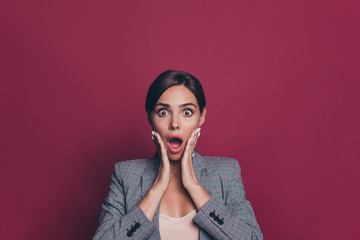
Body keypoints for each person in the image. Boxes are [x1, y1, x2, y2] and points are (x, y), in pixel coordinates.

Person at [93, 70, 263, 240]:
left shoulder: (226, 173)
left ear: (201, 117)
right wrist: (156, 189)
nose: (174, 124)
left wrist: (193, 187)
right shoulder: (125, 175)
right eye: (163, 112)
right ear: (150, 117)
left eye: (187, 112)